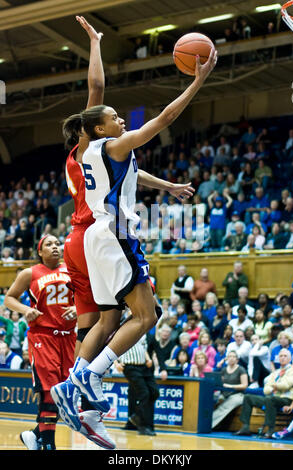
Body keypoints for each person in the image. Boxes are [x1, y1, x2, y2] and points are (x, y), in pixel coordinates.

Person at [52, 16, 195, 445]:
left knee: (105, 320)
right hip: (92, 236)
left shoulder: (88, 153)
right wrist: (95, 44)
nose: (119, 117)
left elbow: (129, 165)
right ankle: (87, 383)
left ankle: (84, 402)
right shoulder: (92, 146)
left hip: (88, 239)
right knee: (143, 315)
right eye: (112, 117)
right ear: (90, 128)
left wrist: (166, 186)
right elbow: (96, 94)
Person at [4, 235, 77, 451]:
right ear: (40, 251)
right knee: (49, 390)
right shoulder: (30, 273)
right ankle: (48, 445)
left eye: (57, 244)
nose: (55, 247)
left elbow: (87, 295)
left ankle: (33, 435)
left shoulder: (71, 270)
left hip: (68, 337)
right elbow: (10, 298)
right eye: (49, 244)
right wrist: (26, 310)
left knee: (64, 395)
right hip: (43, 337)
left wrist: (79, 309)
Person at [234, 349, 293, 438]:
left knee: (270, 399)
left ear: (289, 359)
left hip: (287, 399)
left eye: (285, 356)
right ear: (278, 359)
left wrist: (273, 385)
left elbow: (286, 385)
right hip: (273, 398)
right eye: (281, 356)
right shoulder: (275, 372)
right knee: (248, 397)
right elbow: (266, 389)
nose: (283, 358)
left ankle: (270, 429)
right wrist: (275, 386)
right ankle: (245, 427)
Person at [114, 333, 159, 436]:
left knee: (154, 392)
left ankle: (136, 417)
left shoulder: (142, 330)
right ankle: (142, 426)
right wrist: (116, 363)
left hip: (143, 366)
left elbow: (142, 346)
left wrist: (148, 358)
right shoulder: (123, 330)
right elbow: (112, 347)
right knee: (144, 394)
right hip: (130, 366)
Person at [212, 350, 248, 429]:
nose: (231, 358)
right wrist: (218, 367)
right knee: (213, 399)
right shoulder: (224, 369)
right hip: (224, 394)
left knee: (224, 406)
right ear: (227, 359)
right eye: (229, 356)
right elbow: (218, 381)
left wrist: (231, 386)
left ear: (237, 360)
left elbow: (245, 385)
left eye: (233, 357)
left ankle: (209, 425)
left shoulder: (241, 369)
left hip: (238, 395)